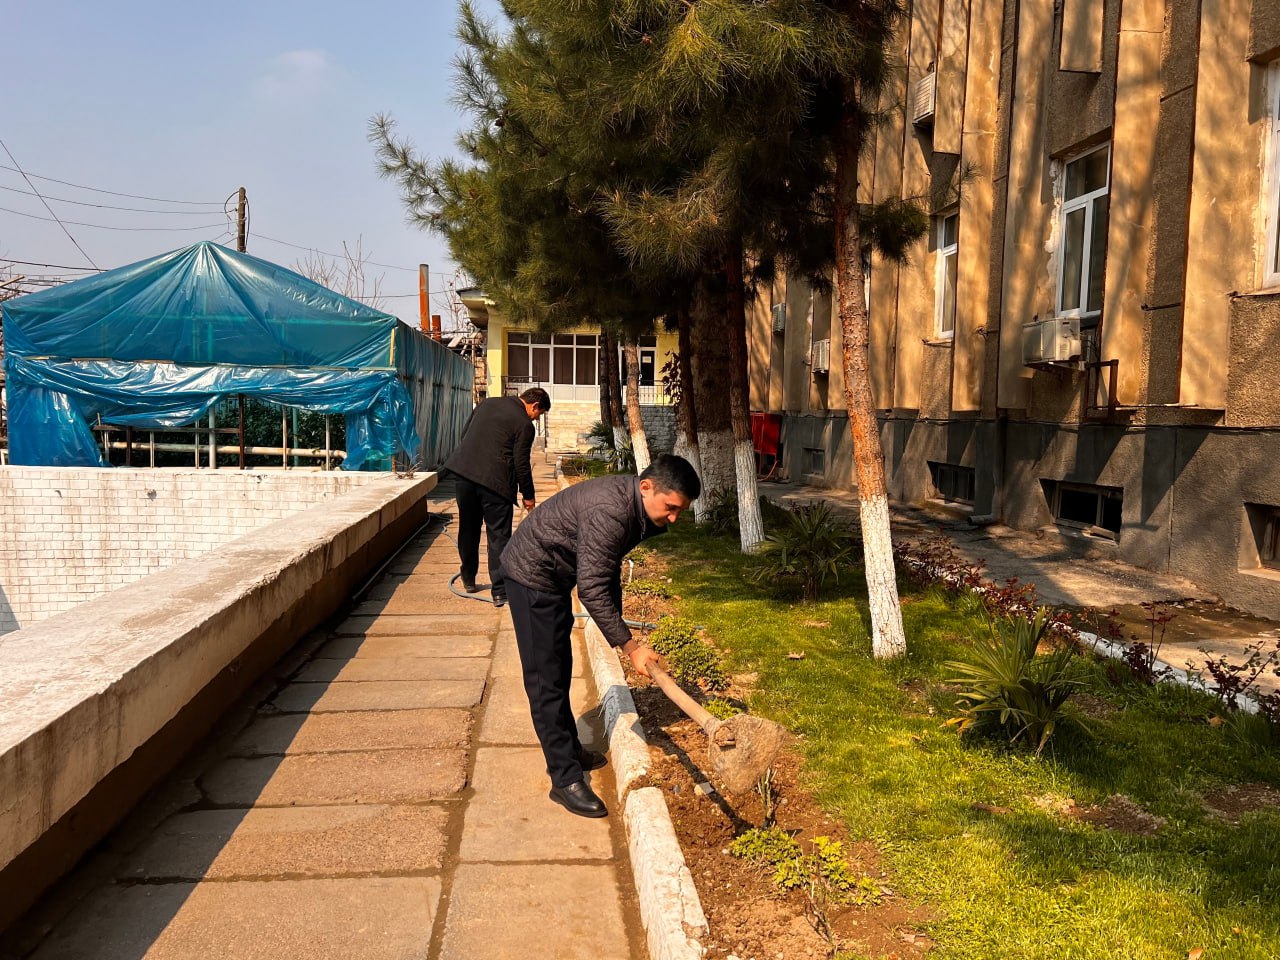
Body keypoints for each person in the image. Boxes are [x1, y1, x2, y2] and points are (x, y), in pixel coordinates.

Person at [501, 453, 701, 818]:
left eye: (680, 512)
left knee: (560, 667)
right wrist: (630, 646)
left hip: (554, 576)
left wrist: (618, 626)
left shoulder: (632, 506)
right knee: (545, 680)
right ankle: (564, 778)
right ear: (646, 487)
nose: (673, 518)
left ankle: (569, 750)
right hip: (531, 576)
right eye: (671, 508)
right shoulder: (611, 510)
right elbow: (591, 588)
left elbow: (605, 567)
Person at [443, 387, 551, 607]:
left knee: (468, 529)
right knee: (499, 536)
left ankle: (468, 578)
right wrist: (528, 496)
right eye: (538, 414)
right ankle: (500, 591)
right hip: (496, 484)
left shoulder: (486, 404)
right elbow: (521, 463)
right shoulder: (524, 424)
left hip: (464, 475)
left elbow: (465, 435)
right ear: (534, 405)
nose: (536, 419)